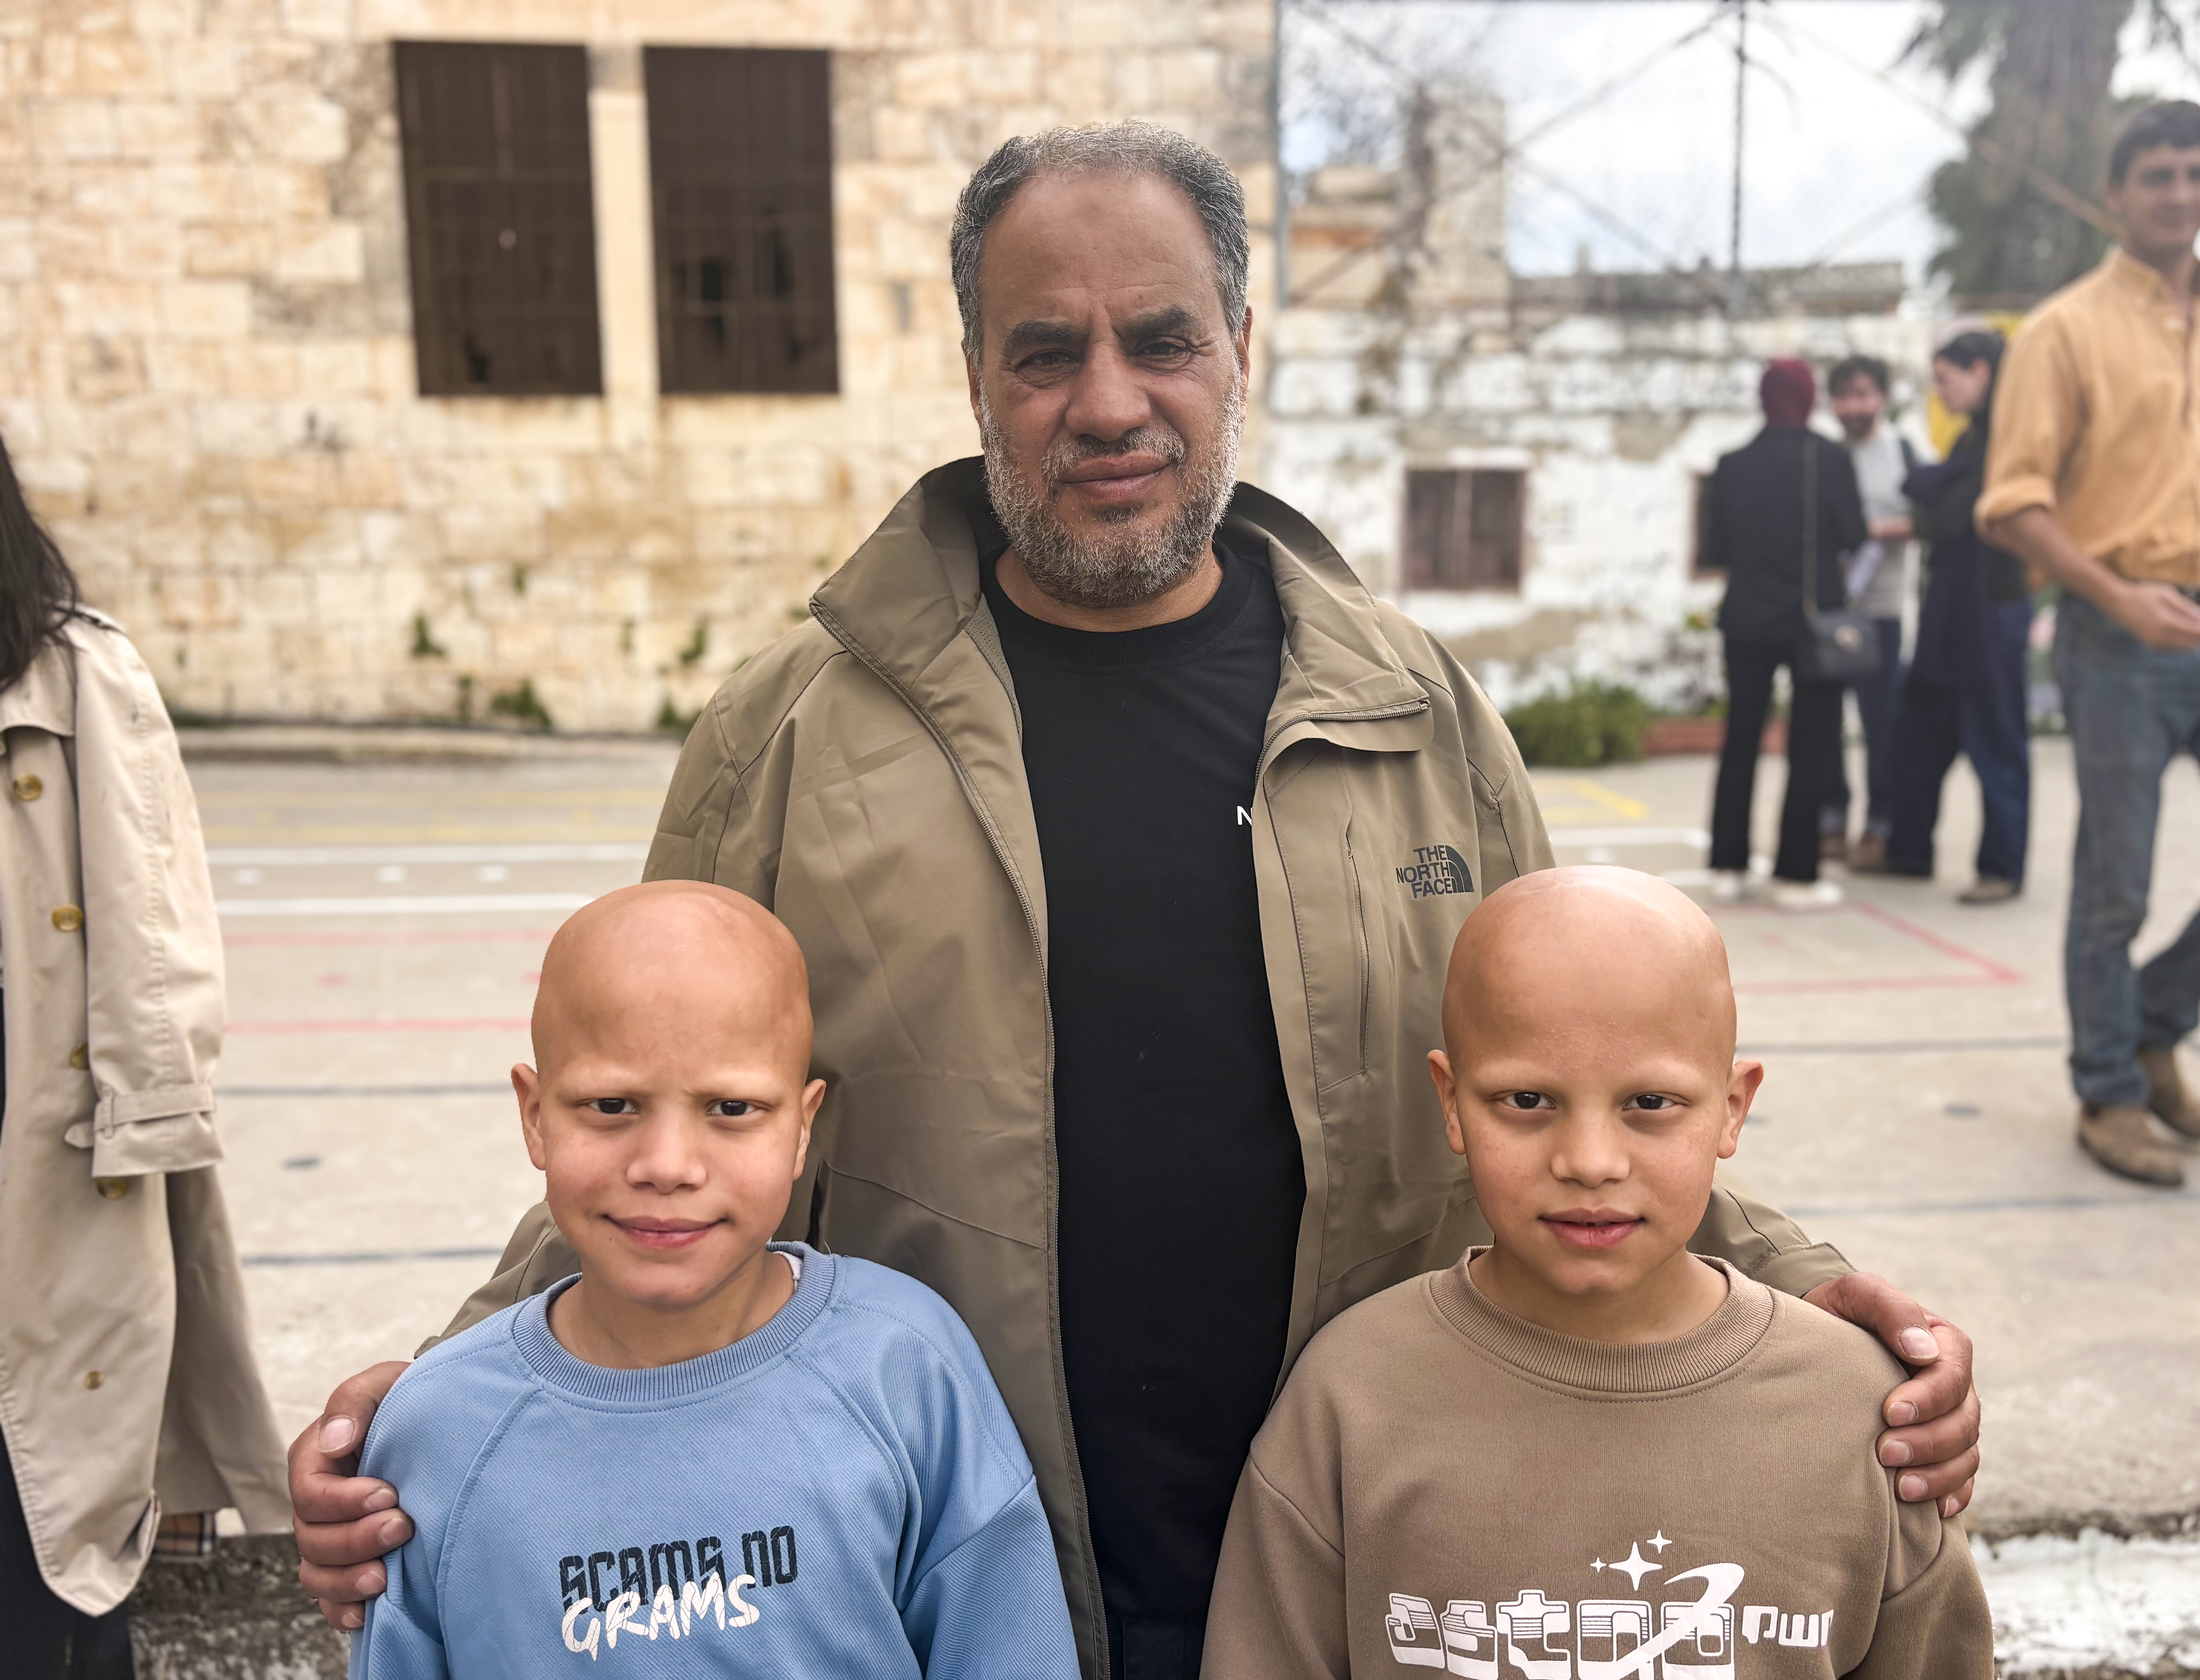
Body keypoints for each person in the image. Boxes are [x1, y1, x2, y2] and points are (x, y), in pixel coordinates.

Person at [291, 125, 1983, 1680]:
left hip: (1361, 1573)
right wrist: (453, 1390)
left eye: (1162, 339)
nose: (1108, 403)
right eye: (1046, 352)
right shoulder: (794, 732)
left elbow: (1581, 1058)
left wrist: (1803, 1284)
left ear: (1241, 347)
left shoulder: (1415, 713)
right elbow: (653, 1088)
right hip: (957, 1590)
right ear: (975, 375)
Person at [1199, 869, 1994, 1680]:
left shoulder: (1863, 1415)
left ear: (1733, 1107)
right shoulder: (1350, 1397)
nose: (1589, 1161)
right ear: (1450, 1101)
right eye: (1526, 1100)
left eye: (1649, 1103)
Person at [347, 882, 1075, 1678]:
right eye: (611, 1104)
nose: (668, 1166)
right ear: (535, 1116)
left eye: (731, 1108)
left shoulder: (905, 1369)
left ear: (802, 1127)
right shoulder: (438, 1429)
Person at [0, 429, 290, 1676]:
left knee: (49, 1534)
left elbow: (155, 928)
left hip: (42, 1165)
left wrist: (149, 1123)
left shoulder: (73, 675)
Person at [1979, 99, 2200, 1189]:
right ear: (2117, 193)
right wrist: (2120, 597)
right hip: (2118, 632)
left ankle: (2154, 1017)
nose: (2181, 193)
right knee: (2115, 883)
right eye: (2159, 175)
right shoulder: (2064, 331)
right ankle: (2109, 1089)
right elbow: (2013, 502)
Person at [1706, 359, 1871, 909]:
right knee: (1811, 744)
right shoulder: (1829, 459)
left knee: (1740, 738)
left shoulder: (1732, 465)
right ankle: (1796, 876)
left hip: (1747, 618)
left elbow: (1717, 548)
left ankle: (1728, 867)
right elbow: (1854, 534)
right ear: (1809, 397)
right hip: (1811, 621)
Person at [1877, 332, 2031, 905]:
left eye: (1947, 379)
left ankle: (2002, 867)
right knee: (1920, 727)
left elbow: (1953, 515)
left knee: (1995, 739)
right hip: (1949, 602)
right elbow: (1937, 504)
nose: (1941, 393)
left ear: (1981, 372)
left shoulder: (2011, 438)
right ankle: (1908, 850)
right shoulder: (1971, 440)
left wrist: (1931, 493)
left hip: (1992, 603)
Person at [1820, 355, 1918, 871]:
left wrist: (1871, 532)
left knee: (1882, 725)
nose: (1853, 406)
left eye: (1862, 394)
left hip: (1882, 610)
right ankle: (1832, 819)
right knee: (1826, 724)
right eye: (1843, 396)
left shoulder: (1903, 451)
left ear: (1881, 397)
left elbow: (1929, 517)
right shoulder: (1826, 455)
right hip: (1831, 611)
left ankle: (1880, 826)